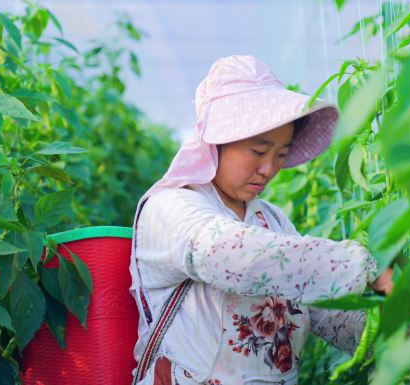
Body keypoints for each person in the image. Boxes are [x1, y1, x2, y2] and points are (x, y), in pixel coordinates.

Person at [129, 55, 394, 385]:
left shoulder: (269, 219)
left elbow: (319, 305)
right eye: (258, 151)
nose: (269, 169)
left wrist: (394, 333)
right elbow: (229, 254)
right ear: (216, 142)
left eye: (281, 155)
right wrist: (361, 264)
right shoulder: (170, 208)